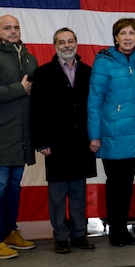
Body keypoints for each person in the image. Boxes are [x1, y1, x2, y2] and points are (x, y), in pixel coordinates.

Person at [0, 15, 38, 259]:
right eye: (7, 28)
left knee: (13, 187)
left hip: (23, 134)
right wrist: (19, 89)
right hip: (0, 134)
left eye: (16, 27)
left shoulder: (30, 58)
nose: (13, 31)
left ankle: (10, 231)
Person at [30, 27, 97, 253]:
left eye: (70, 41)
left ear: (76, 43)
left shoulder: (89, 72)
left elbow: (95, 107)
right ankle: (60, 237)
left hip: (81, 143)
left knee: (78, 194)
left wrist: (95, 136)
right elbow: (36, 110)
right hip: (56, 144)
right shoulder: (43, 73)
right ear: (55, 46)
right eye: (62, 42)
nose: (67, 45)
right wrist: (41, 141)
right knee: (58, 196)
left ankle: (79, 235)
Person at [88, 17, 135, 247]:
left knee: (127, 184)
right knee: (115, 185)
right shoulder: (103, 62)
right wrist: (95, 135)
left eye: (131, 33)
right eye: (123, 33)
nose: (127, 37)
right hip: (111, 134)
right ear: (115, 38)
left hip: (133, 135)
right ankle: (115, 231)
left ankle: (122, 229)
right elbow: (94, 101)